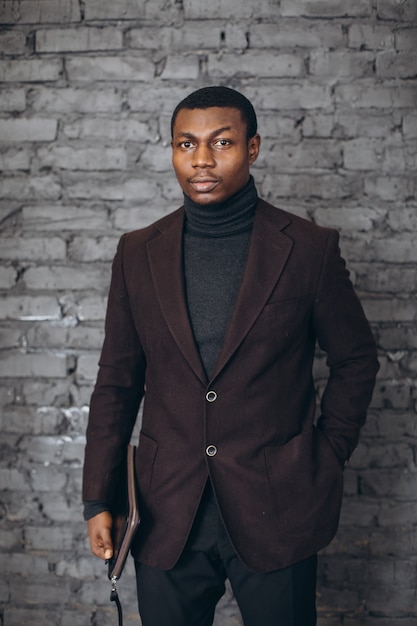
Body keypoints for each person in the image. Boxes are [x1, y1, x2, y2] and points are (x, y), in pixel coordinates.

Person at [83, 86, 379, 625]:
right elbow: (117, 383)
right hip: (165, 511)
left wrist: (327, 452)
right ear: (172, 150)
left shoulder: (309, 249)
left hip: (279, 506)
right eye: (185, 143)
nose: (201, 159)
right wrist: (96, 496)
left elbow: (356, 358)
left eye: (221, 143)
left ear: (254, 147)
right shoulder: (137, 252)